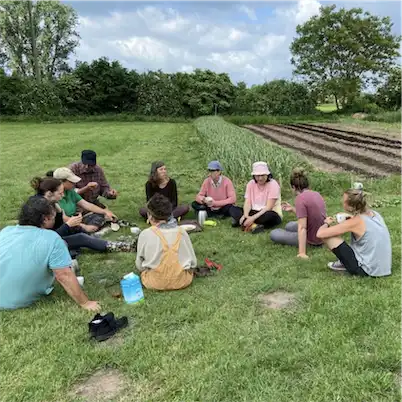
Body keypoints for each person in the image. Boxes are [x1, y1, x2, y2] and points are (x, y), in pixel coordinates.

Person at [0, 197, 101, 311]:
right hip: (13, 301)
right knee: (64, 268)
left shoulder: (6, 231)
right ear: (45, 219)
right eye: (54, 217)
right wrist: (85, 303)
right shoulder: (52, 238)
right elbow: (63, 275)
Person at [30, 177, 136, 253]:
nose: (62, 196)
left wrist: (64, 217)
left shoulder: (51, 203)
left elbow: (57, 226)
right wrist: (68, 225)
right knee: (80, 238)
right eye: (60, 193)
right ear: (49, 194)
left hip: (53, 236)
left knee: (78, 230)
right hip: (44, 244)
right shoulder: (40, 208)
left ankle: (94, 240)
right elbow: (49, 237)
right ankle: (122, 247)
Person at [316, 189, 392, 277]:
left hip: (366, 271)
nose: (341, 202)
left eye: (344, 201)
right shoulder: (375, 214)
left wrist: (326, 223)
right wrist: (351, 218)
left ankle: (345, 263)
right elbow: (361, 223)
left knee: (329, 237)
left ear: (351, 206)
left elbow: (320, 234)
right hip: (383, 269)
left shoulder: (356, 222)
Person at [136, 194, 197, 291]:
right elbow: (193, 263)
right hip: (183, 281)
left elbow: (139, 265)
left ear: (150, 216)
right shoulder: (182, 232)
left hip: (153, 282)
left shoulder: (145, 234)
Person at [270, 168, 326, 259]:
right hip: (322, 233)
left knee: (274, 233)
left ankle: (307, 243)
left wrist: (302, 252)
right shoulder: (316, 194)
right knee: (289, 225)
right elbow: (311, 214)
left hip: (311, 239)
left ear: (293, 187)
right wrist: (293, 209)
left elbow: (302, 227)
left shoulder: (300, 199)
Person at [49, 167, 117, 233]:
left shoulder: (70, 191)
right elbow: (63, 218)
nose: (74, 183)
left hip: (75, 219)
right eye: (71, 182)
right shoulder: (53, 198)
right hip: (65, 225)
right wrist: (84, 227)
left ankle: (92, 228)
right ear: (61, 182)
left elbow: (86, 204)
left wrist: (105, 212)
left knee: (99, 215)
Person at [229, 161, 282, 234]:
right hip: (253, 211)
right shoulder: (250, 184)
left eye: (262, 175)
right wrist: (246, 215)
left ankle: (243, 222)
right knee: (232, 209)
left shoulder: (273, 184)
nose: (260, 178)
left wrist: (252, 218)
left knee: (269, 216)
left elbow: (268, 207)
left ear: (267, 175)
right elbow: (247, 202)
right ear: (254, 176)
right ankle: (253, 225)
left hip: (267, 212)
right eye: (257, 176)